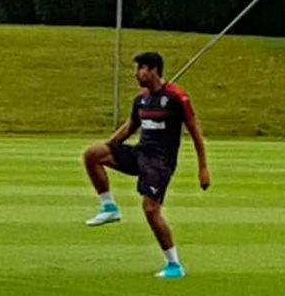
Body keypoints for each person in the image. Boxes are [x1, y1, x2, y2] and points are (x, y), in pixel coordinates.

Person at [82, 51, 210, 278]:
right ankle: (109, 208)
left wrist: (203, 168)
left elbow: (195, 132)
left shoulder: (177, 98)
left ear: (153, 70)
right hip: (140, 153)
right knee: (92, 154)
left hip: (159, 163)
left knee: (151, 210)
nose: (136, 74)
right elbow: (130, 127)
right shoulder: (141, 99)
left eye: (140, 69)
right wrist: (109, 147)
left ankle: (174, 265)